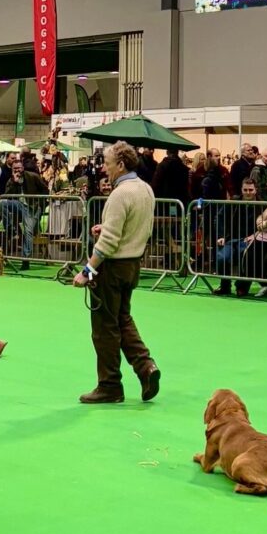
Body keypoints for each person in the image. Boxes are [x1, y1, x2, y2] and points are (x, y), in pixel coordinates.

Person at [72, 141, 160, 405]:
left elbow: (110, 242)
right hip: (132, 265)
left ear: (121, 165)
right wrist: (106, 228)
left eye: (108, 163)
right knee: (123, 320)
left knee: (104, 329)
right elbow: (137, 228)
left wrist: (87, 270)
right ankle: (146, 368)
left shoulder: (120, 194)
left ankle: (109, 385)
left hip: (111, 269)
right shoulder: (145, 189)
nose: (104, 169)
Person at [214, 178, 261, 296]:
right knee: (222, 257)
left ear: (256, 190)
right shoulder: (233, 201)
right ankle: (225, 286)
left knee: (245, 257)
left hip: (250, 240)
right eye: (245, 190)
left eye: (251, 190)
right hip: (230, 239)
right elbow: (220, 218)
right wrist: (221, 236)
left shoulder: (262, 205)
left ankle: (242, 287)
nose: (248, 192)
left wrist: (256, 235)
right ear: (241, 189)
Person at [0, 158, 48, 269]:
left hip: (33, 207)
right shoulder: (11, 180)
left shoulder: (33, 176)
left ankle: (25, 260)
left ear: (23, 168)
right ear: (12, 169)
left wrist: (40, 204)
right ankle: (11, 229)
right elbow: (7, 195)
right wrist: (14, 182)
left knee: (28, 231)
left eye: (19, 168)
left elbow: (45, 190)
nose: (17, 170)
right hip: (19, 205)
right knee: (2, 203)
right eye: (15, 168)